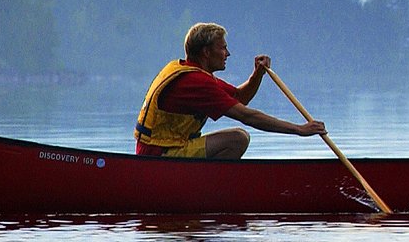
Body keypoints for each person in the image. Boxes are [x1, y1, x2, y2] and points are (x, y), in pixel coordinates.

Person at [135, 22, 324, 159]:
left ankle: (207, 186)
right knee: (237, 139)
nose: (228, 54)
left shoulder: (193, 72)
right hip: (160, 156)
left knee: (238, 136)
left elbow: (240, 98)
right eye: (223, 48)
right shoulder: (195, 81)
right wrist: (299, 129)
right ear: (206, 52)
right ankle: (209, 190)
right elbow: (247, 116)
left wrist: (257, 75)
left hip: (162, 151)